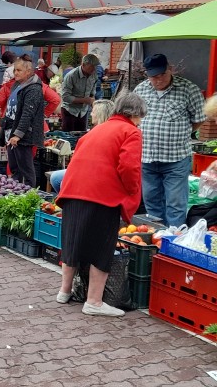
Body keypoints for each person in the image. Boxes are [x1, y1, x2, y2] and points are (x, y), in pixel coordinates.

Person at [55, 93, 146, 317]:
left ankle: (64, 291)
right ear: (135, 115)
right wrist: (133, 191)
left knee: (73, 241)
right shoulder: (130, 132)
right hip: (102, 196)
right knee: (100, 247)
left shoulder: (97, 129)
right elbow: (129, 168)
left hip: (74, 190)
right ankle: (94, 302)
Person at [134, 53, 206, 227]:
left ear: (170, 70)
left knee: (175, 205)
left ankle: (173, 243)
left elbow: (199, 118)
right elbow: (133, 118)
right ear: (147, 75)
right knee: (152, 203)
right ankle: (156, 240)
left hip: (176, 158)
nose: (158, 80)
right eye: (153, 77)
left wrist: (184, 132)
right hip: (147, 158)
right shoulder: (140, 90)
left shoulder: (189, 89)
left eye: (162, 75)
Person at [0, 54, 44, 186]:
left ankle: (31, 194)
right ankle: (16, 191)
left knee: (26, 168)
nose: (15, 73)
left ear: (29, 72)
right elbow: (10, 109)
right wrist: (3, 133)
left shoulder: (34, 89)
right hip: (11, 132)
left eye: (19, 70)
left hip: (24, 136)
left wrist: (18, 135)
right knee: (14, 168)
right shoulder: (16, 85)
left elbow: (28, 113)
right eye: (14, 70)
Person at [49, 99, 115, 193]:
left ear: (100, 114)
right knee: (55, 177)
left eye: (93, 112)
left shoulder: (104, 132)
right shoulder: (96, 130)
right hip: (87, 167)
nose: (91, 114)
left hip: (95, 171)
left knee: (60, 180)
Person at [60, 53, 98, 132]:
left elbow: (92, 92)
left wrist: (93, 101)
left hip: (83, 111)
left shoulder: (94, 75)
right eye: (91, 66)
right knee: (69, 137)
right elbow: (65, 97)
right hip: (69, 110)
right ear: (83, 65)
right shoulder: (71, 76)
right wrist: (84, 100)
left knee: (81, 136)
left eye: (95, 66)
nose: (94, 69)